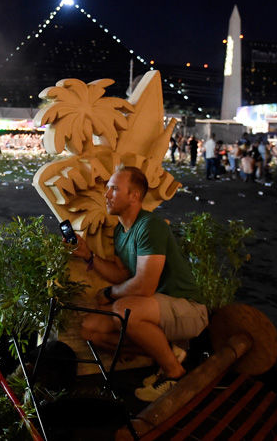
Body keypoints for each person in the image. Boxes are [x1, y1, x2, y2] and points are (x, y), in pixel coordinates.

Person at [72, 166, 208, 402]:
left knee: (125, 310)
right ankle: (168, 353)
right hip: (155, 309)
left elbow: (144, 285)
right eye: (107, 189)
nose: (106, 195)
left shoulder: (150, 227)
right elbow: (121, 274)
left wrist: (109, 293)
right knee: (91, 328)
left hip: (188, 309)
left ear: (134, 196)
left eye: (114, 189)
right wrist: (88, 256)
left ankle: (174, 373)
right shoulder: (121, 231)